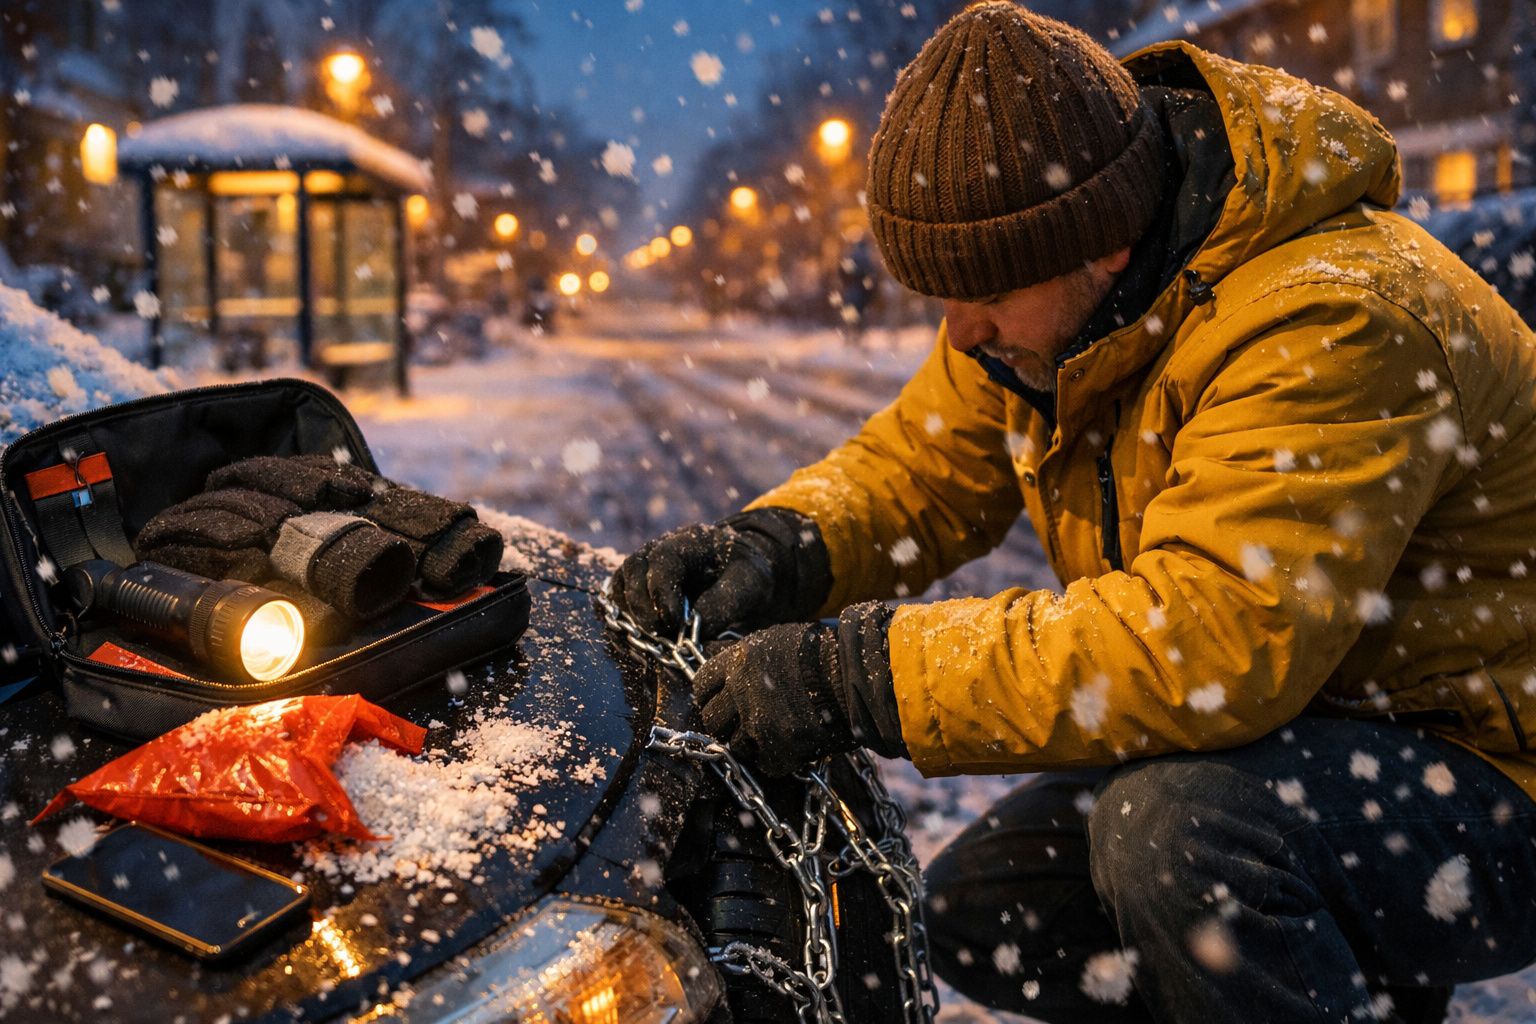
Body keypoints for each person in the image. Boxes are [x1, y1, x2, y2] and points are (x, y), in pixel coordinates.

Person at [608, 4, 1536, 1021]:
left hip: (1495, 766)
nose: (959, 334)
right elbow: (919, 465)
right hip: (1313, 736)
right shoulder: (1062, 319)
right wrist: (779, 546)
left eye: (985, 295)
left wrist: (857, 675)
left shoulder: (1334, 317)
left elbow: (1212, 639)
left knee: (1175, 834)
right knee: (986, 907)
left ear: (1098, 242)